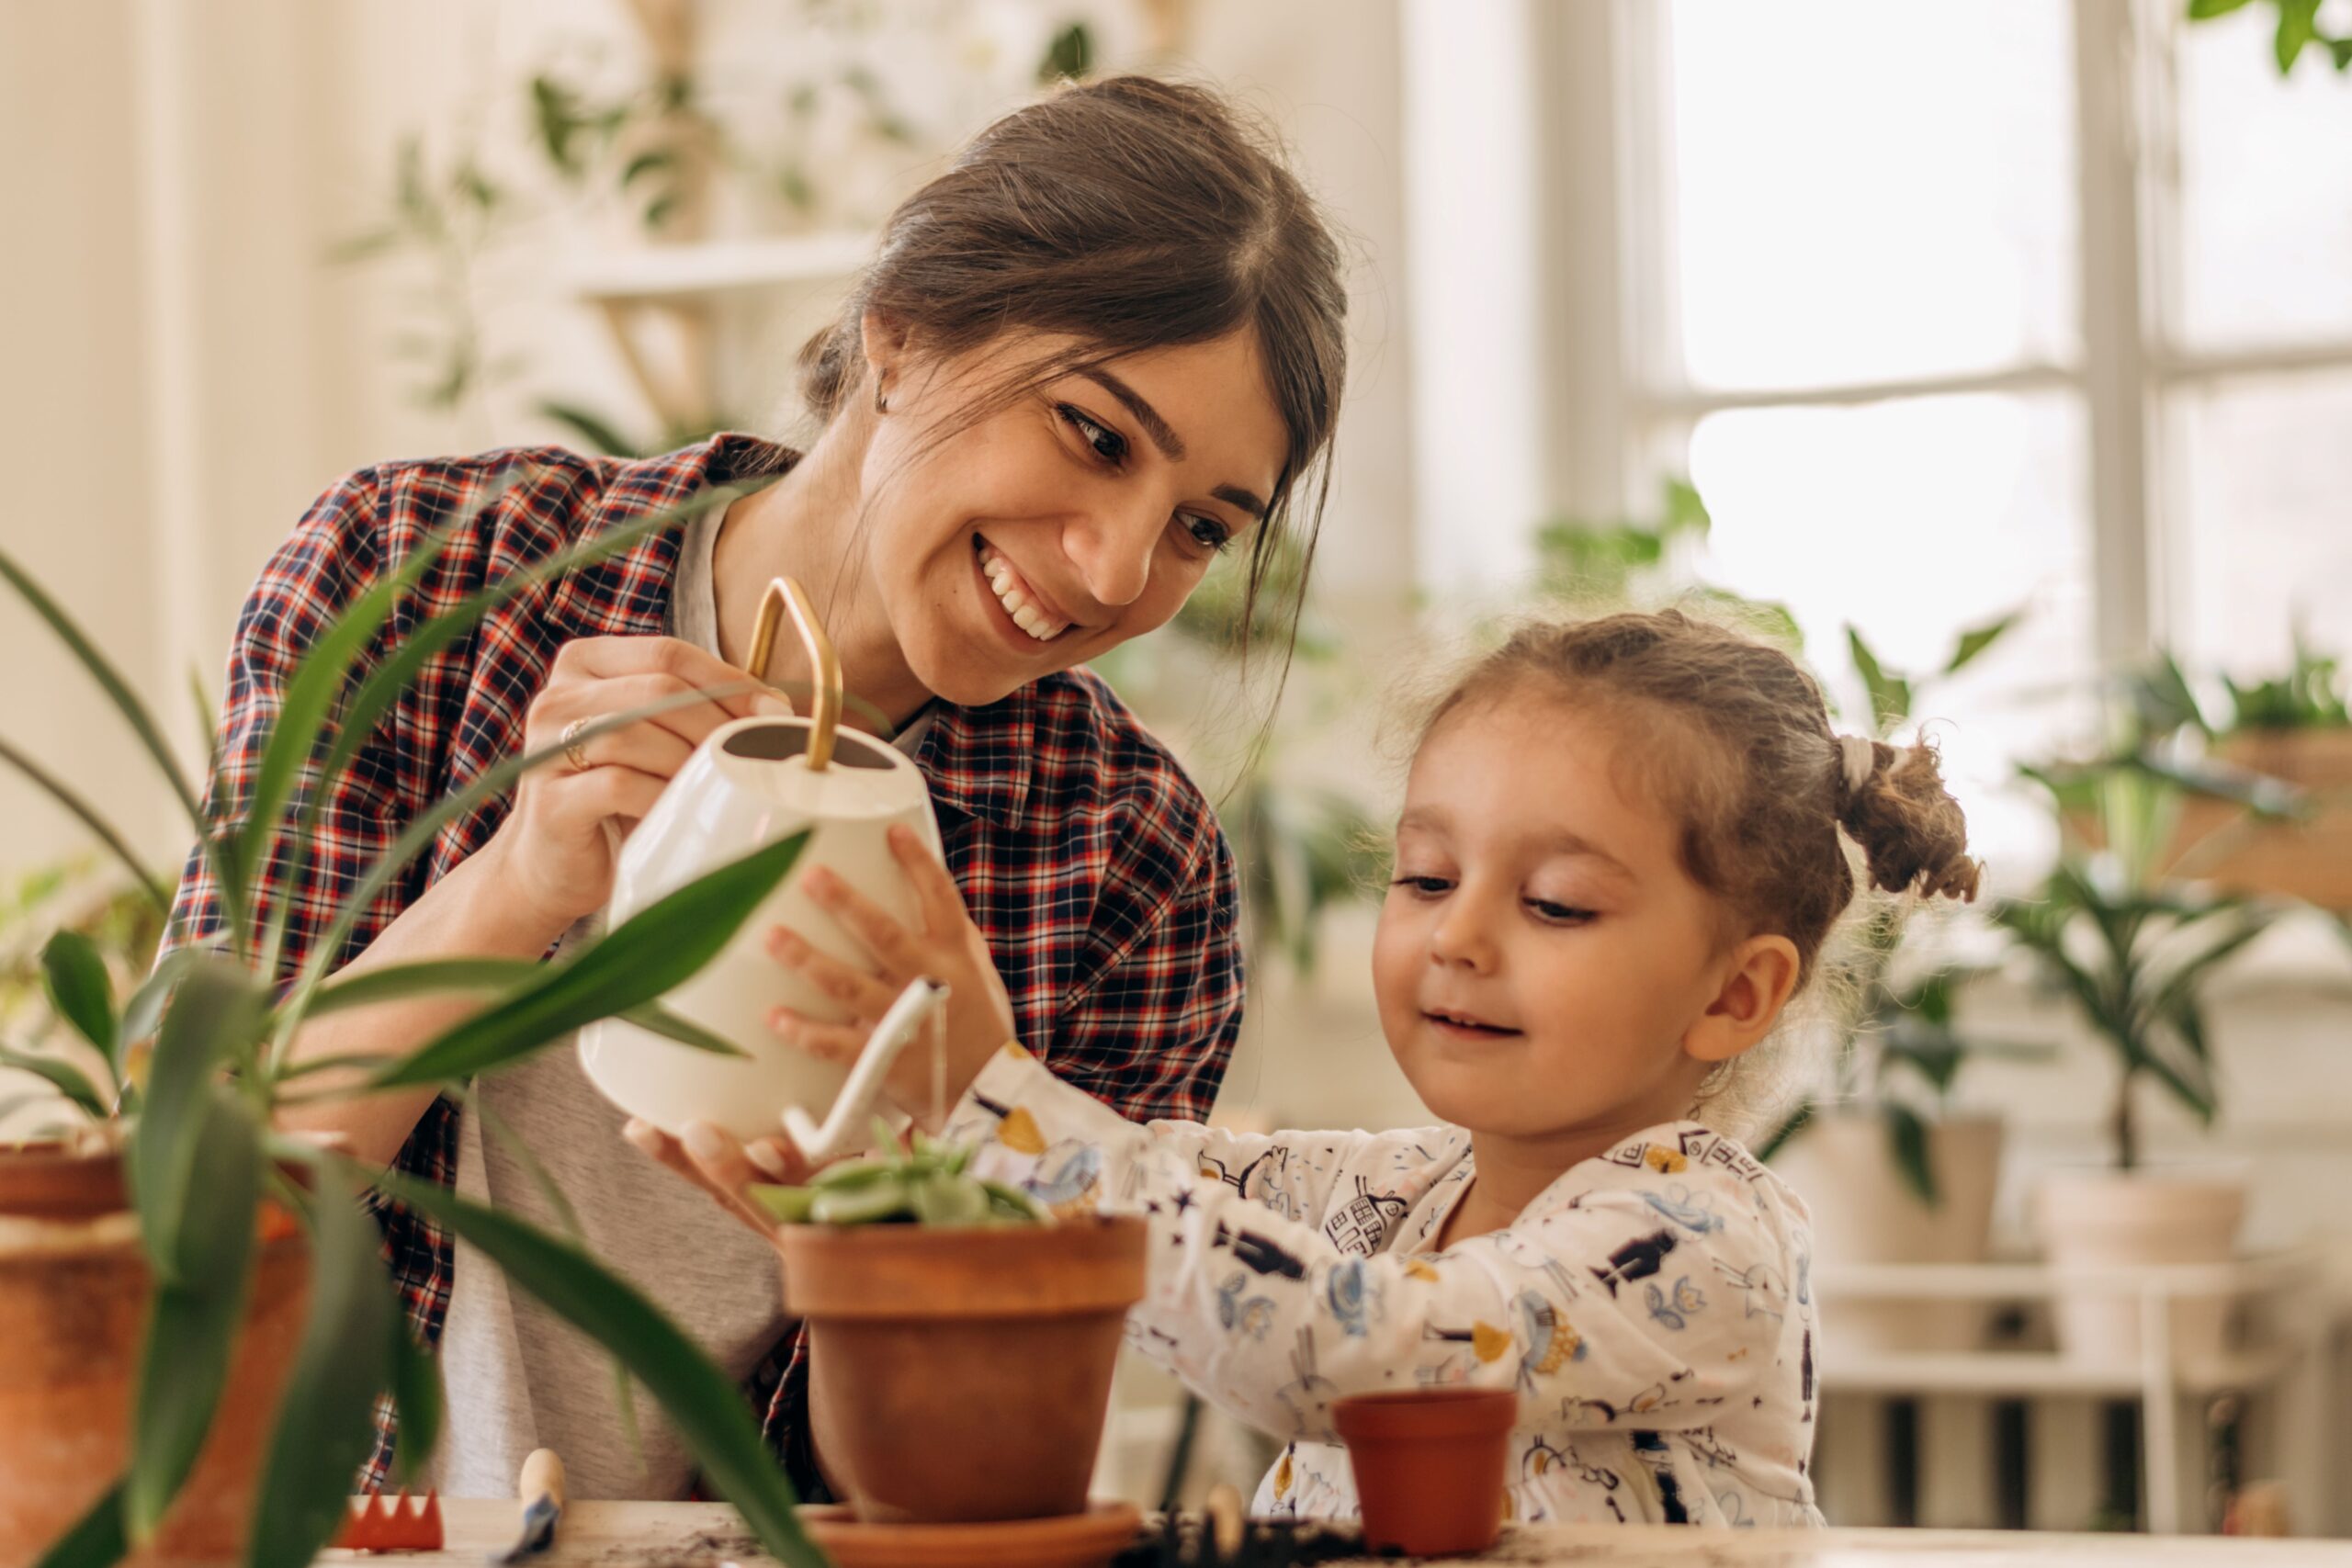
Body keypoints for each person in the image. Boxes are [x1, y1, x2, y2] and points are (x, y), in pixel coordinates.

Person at [160, 73, 1348, 1498]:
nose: (1112, 569)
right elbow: (184, 1212)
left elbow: (978, 1489)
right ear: (900, 336)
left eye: (1199, 528)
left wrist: (966, 1134)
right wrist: (519, 882)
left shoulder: (1127, 861)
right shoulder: (421, 572)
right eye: (1094, 436)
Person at [704, 609, 1984, 1526]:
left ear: (1733, 992)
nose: (1456, 937)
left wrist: (988, 1097)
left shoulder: (1703, 1243)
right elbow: (1145, 1188)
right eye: (1424, 878)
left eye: (1554, 904)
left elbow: (1352, 1356)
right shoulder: (1394, 1189)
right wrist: (868, 1178)